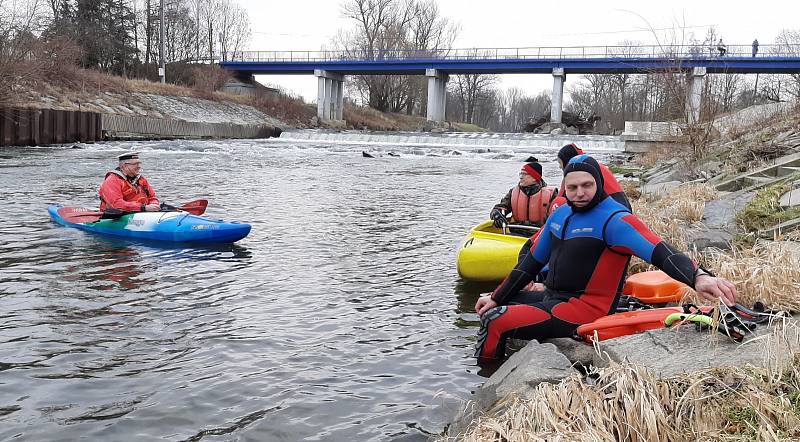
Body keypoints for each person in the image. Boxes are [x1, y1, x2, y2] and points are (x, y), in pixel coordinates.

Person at [474, 155, 738, 361]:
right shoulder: (559, 215)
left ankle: (485, 389)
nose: (580, 193)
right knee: (490, 304)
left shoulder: (615, 219)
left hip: (584, 308)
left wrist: (698, 277)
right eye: (573, 187)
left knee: (495, 319)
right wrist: (496, 296)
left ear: (598, 184)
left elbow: (660, 251)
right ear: (565, 187)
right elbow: (529, 265)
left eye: (587, 185)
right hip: (552, 297)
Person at [490, 157, 556, 229]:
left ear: (534, 178)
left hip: (539, 235)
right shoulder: (513, 192)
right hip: (516, 232)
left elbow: (558, 218)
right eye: (520, 174)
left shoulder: (551, 194)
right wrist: (496, 214)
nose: (521, 177)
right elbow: (501, 207)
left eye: (524, 174)